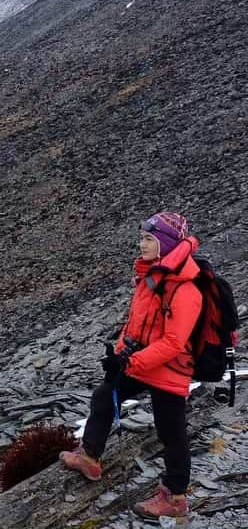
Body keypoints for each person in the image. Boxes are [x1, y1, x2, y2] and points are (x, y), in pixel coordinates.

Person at [59, 212, 203, 520]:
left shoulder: (186, 290)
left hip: (171, 368)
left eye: (149, 239)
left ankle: (175, 498)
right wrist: (119, 356)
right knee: (104, 395)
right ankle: (90, 458)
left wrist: (131, 359)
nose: (142, 244)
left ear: (165, 244)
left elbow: (174, 343)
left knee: (171, 432)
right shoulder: (150, 277)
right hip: (143, 361)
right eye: (143, 238)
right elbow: (134, 325)